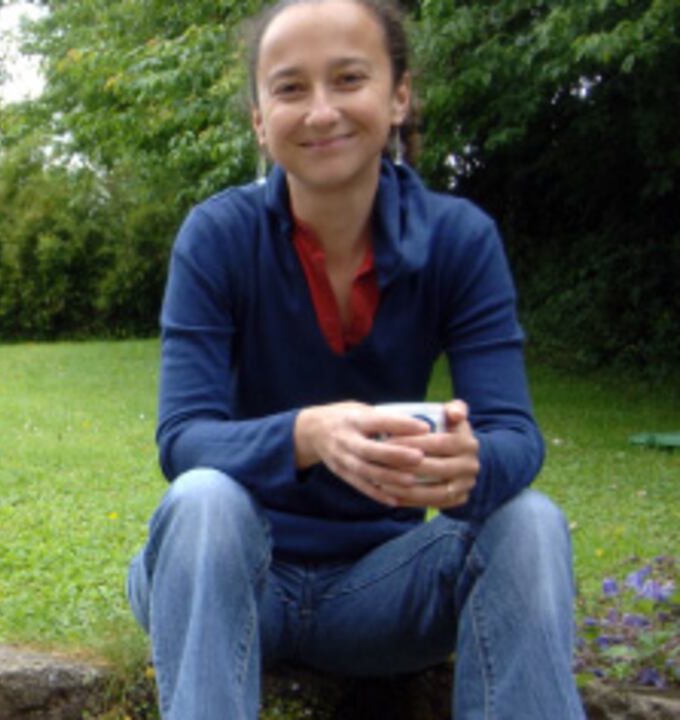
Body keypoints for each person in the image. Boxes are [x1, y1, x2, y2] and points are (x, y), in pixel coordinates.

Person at [125, 1, 585, 717]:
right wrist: (308, 435)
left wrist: (473, 464)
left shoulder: (459, 240)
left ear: (398, 96)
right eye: (289, 88)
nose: (320, 112)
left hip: (383, 594)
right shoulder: (218, 236)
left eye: (347, 79)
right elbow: (184, 440)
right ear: (258, 117)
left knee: (531, 522)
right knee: (204, 499)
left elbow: (515, 436)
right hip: (230, 582)